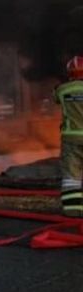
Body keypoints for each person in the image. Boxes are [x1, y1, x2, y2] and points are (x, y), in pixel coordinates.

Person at [53, 56, 83, 217]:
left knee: (72, 177)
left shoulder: (62, 90)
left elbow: (55, 98)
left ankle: (73, 210)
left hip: (71, 139)